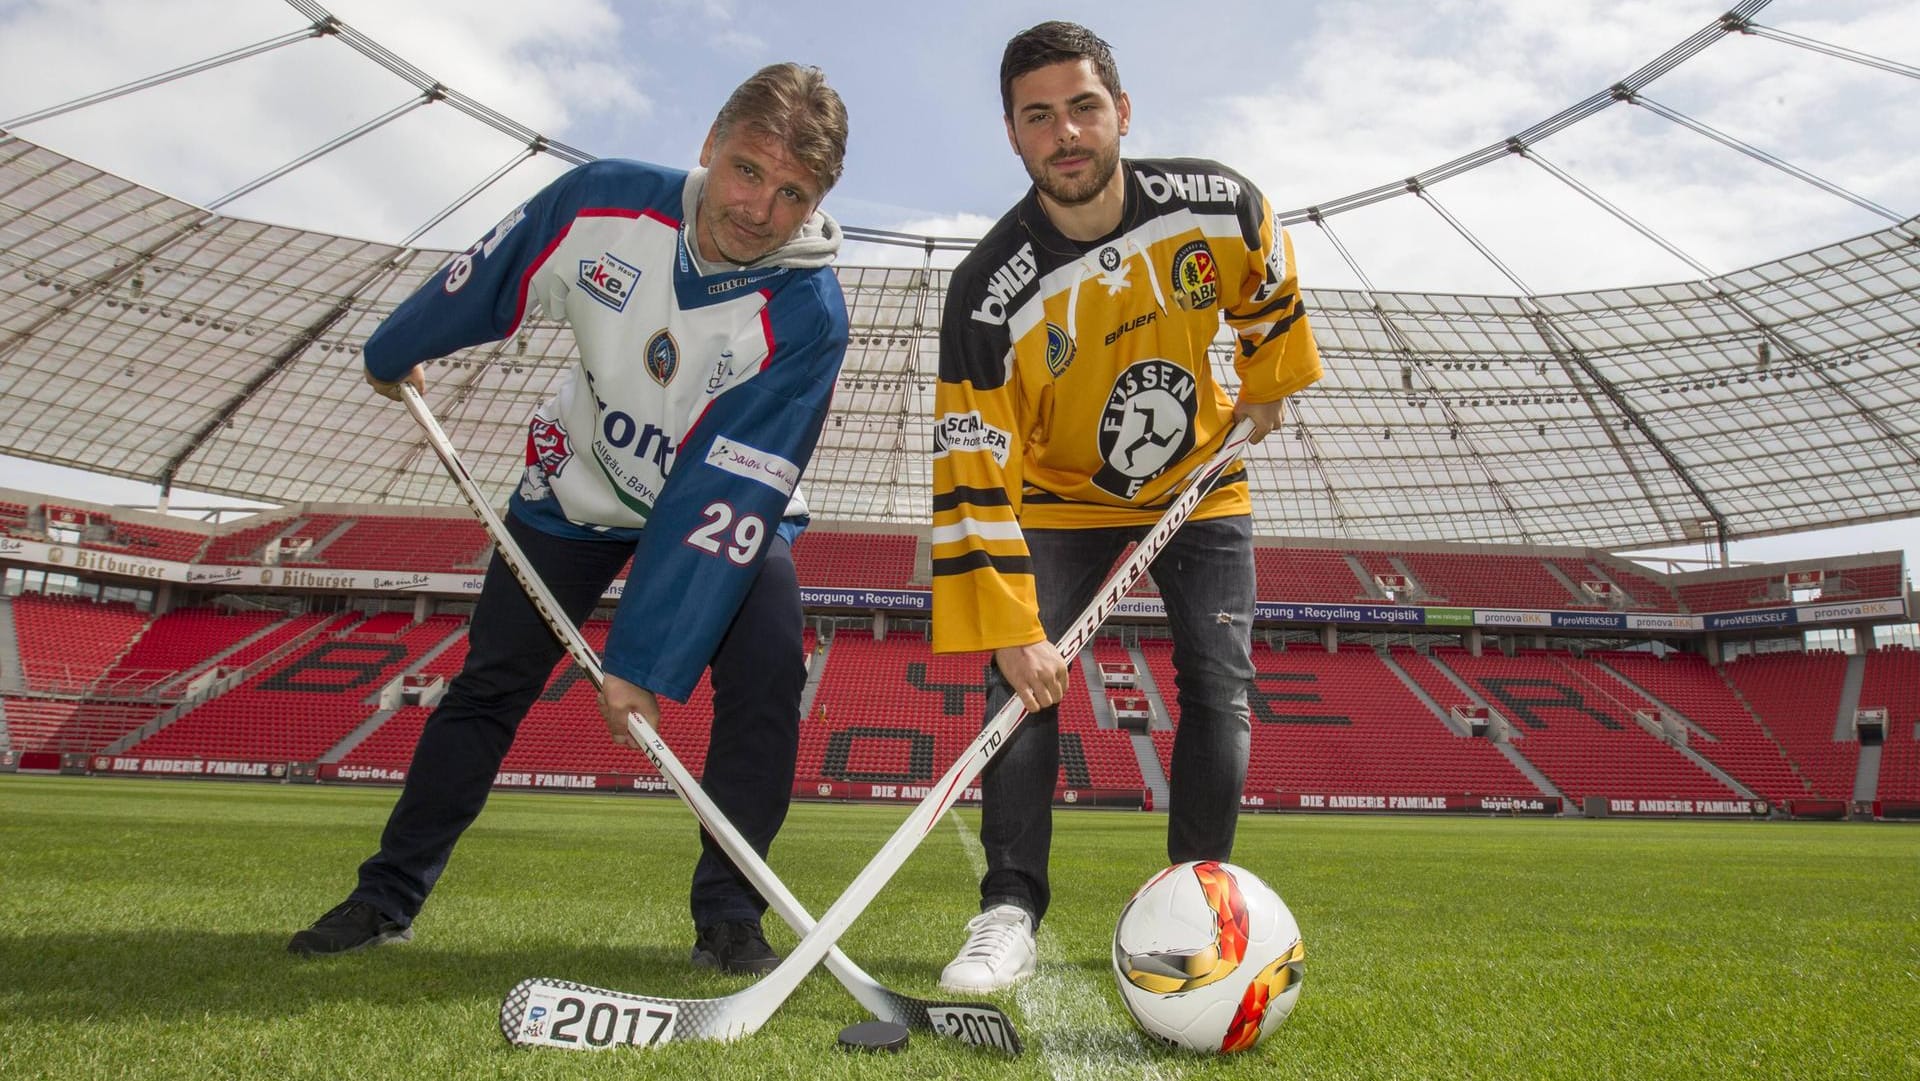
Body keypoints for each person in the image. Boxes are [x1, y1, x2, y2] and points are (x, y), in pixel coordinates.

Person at [288, 63, 851, 976]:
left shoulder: (810, 314)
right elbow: (492, 275)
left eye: (793, 194)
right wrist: (399, 348)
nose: (758, 208)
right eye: (748, 170)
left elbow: (722, 490)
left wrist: (640, 663)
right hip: (577, 488)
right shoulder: (604, 204)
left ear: (817, 202)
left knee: (765, 672)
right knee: (488, 684)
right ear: (709, 145)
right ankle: (384, 895)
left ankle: (729, 917)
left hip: (726, 508)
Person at [929, 22, 1322, 992]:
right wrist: (1014, 626)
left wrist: (1268, 378)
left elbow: (1265, 271)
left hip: (1201, 484)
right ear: (1014, 137)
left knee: (1218, 682)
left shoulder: (1217, 205)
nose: (1065, 132)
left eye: (1083, 106)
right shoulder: (987, 293)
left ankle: (1194, 901)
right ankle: (1008, 911)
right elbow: (972, 467)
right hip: (1058, 502)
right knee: (1017, 689)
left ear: (1122, 112)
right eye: (1039, 116)